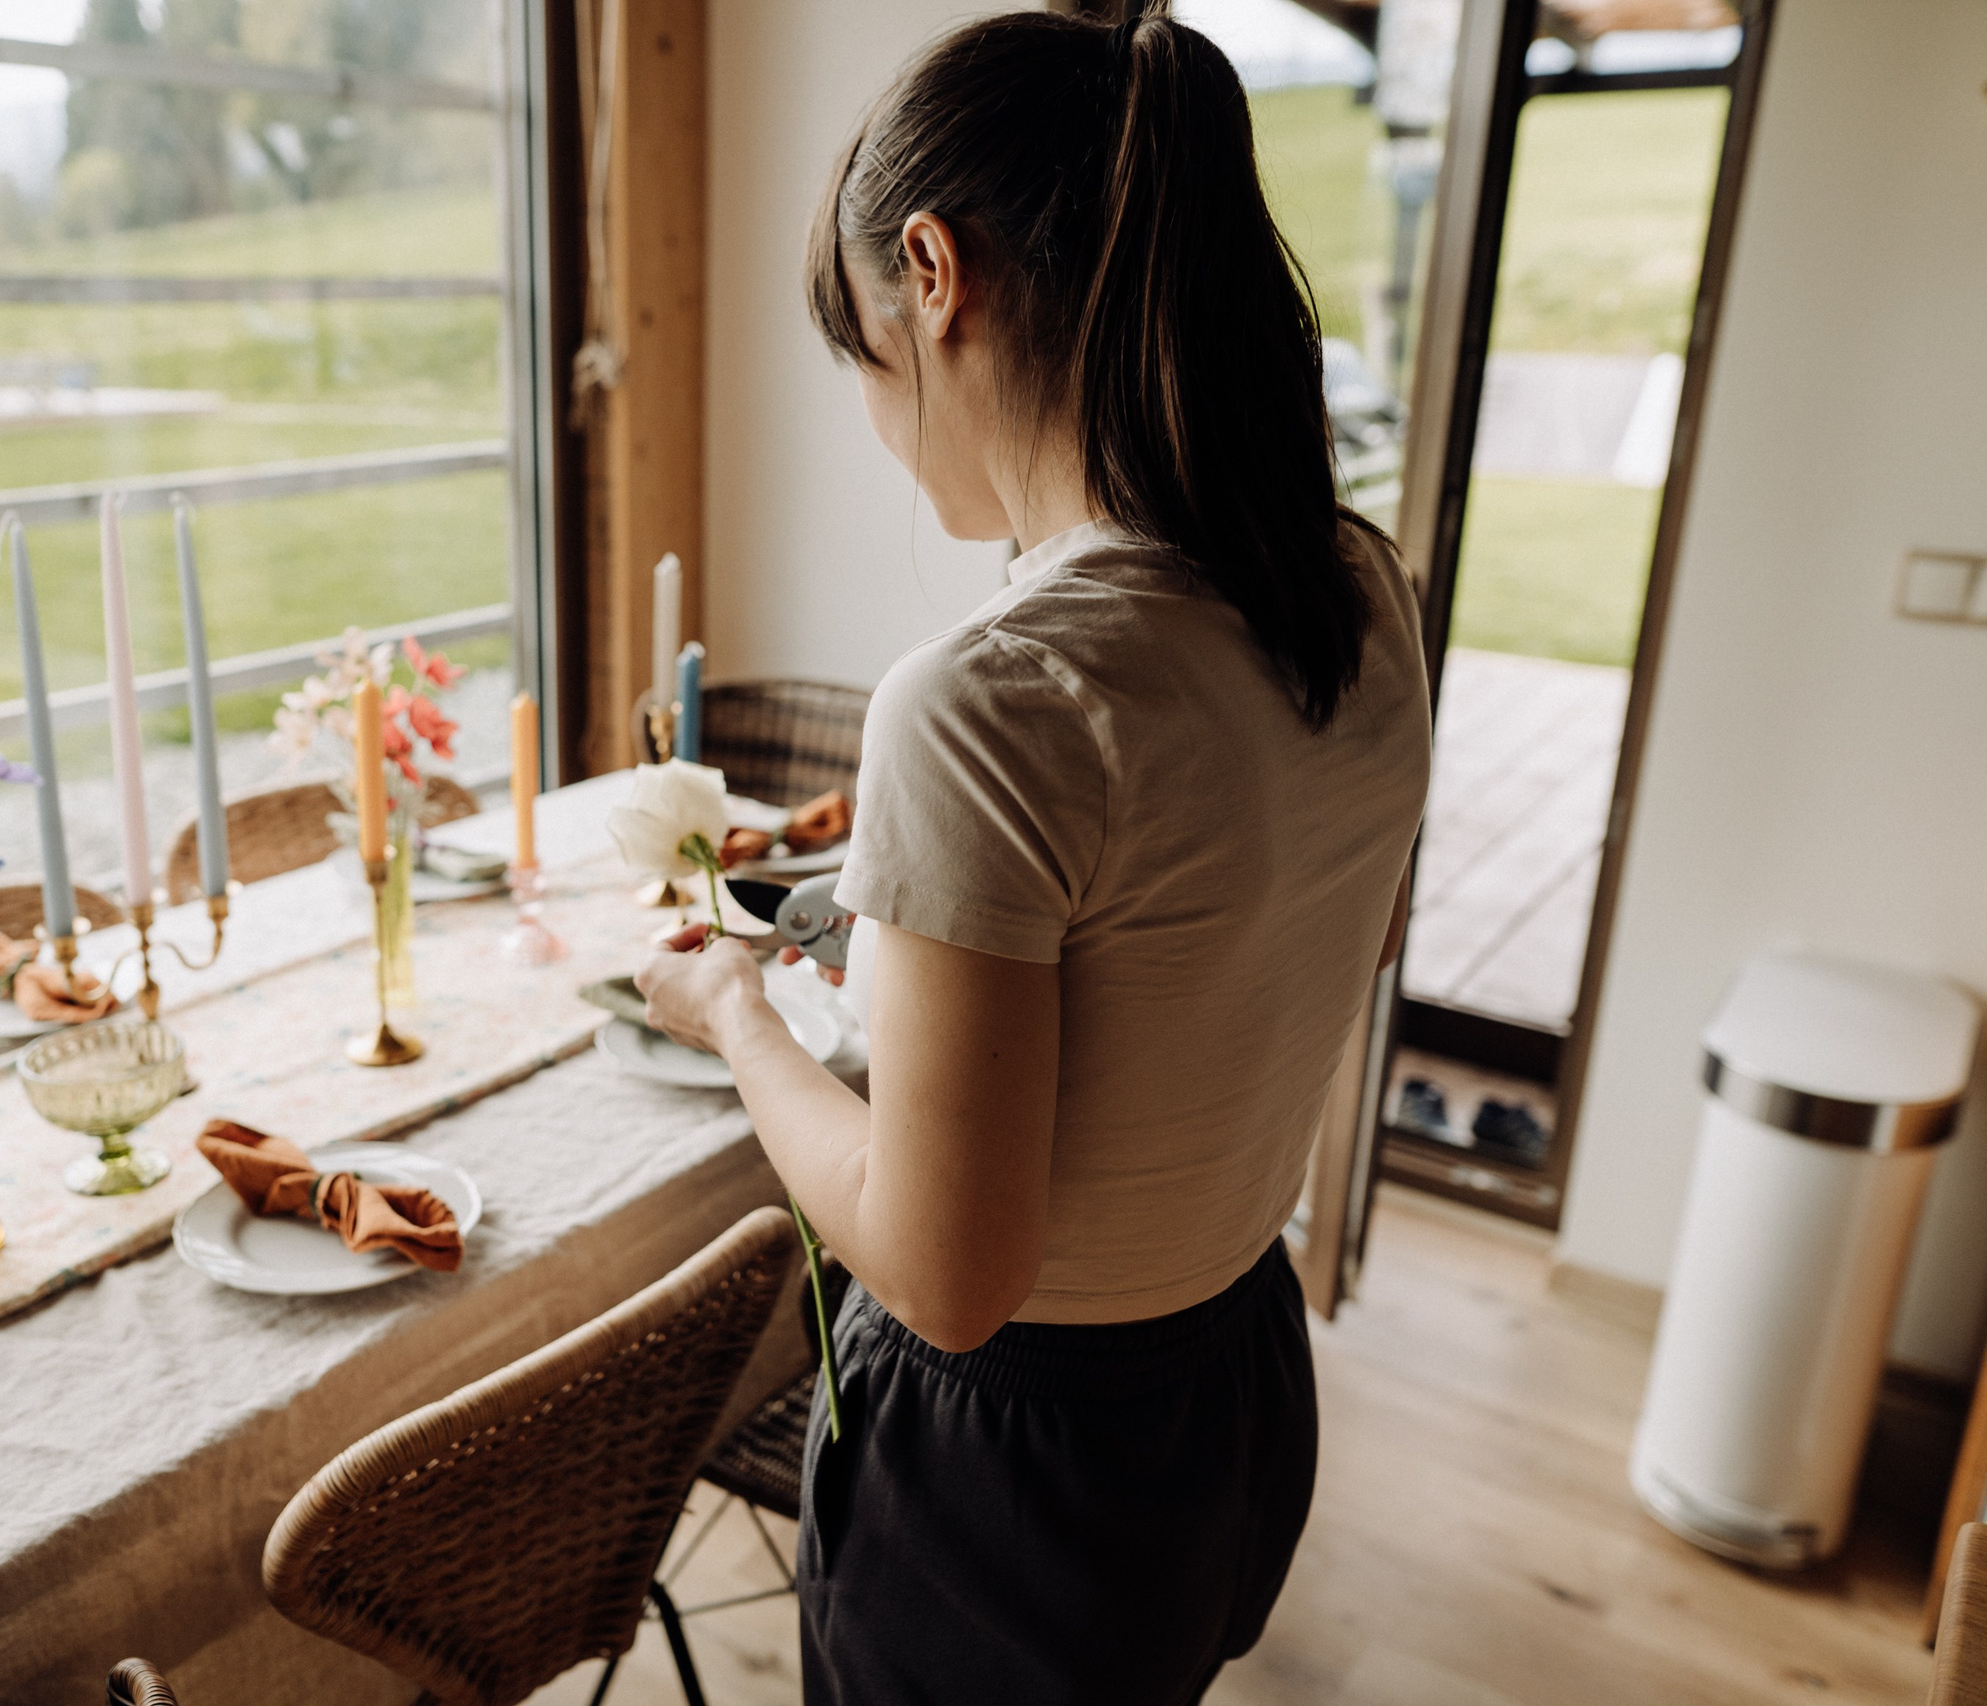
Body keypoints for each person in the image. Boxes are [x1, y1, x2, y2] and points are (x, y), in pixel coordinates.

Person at [631, 7, 1433, 1703]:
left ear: (934, 272)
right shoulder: (1358, 589)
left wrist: (738, 1018)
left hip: (1017, 1484)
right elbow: (1287, 948)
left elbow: (946, 1271)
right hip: (1223, 1379)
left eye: (858, 347)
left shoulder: (990, 699)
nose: (870, 411)